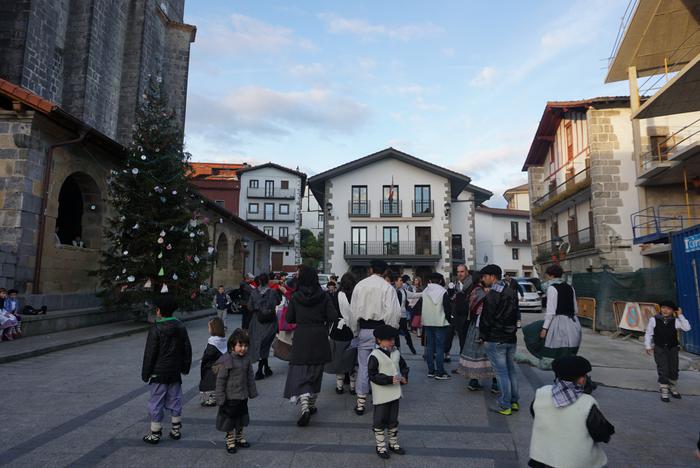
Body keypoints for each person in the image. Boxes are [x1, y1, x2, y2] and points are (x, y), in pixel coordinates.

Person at [528, 355, 614, 468]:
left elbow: (535, 414)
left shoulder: (541, 393)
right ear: (581, 379)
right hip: (575, 462)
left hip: (543, 457)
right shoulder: (587, 402)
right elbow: (600, 432)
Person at [283, 265, 336, 426]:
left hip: (302, 336)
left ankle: (305, 406)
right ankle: (312, 404)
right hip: (319, 334)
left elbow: (289, 318)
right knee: (316, 371)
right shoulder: (324, 296)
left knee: (302, 371)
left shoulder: (296, 296)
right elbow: (333, 315)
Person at [348, 259, 401, 415]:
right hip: (382, 331)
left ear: (370, 269)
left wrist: (355, 331)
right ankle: (382, 398)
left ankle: (360, 402)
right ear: (385, 272)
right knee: (383, 364)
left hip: (364, 329)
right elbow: (393, 313)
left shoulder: (360, 285)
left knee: (363, 366)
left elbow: (353, 312)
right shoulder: (387, 287)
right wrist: (391, 331)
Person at [141, 294, 192, 444]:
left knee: (156, 402)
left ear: (158, 311)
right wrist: (185, 367)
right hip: (175, 372)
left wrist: (146, 373)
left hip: (159, 372)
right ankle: (176, 430)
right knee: (175, 399)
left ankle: (155, 433)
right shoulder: (180, 326)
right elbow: (186, 349)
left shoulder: (155, 329)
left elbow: (150, 353)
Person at [479, 264, 519, 416]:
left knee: (501, 372)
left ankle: (505, 404)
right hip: (510, 337)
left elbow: (486, 318)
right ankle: (514, 401)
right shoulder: (511, 291)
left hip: (496, 338)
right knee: (511, 370)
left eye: (484, 277)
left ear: (492, 276)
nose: (483, 280)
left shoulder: (492, 295)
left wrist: (483, 335)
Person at [368, 325, 409, 459]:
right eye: (387, 340)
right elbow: (373, 375)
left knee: (393, 419)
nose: (391, 342)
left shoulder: (396, 352)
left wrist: (404, 377)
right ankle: (380, 446)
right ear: (378, 340)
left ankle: (393, 443)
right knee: (379, 420)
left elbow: (403, 367)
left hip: (395, 393)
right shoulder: (374, 355)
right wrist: (389, 379)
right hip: (381, 394)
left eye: (392, 339)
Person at [215, 328, 258, 454]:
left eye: (245, 346)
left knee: (241, 417)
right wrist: (220, 397)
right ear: (232, 346)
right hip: (230, 397)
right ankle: (230, 440)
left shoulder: (246, 360)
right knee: (230, 419)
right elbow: (220, 380)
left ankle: (239, 436)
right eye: (240, 345)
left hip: (242, 396)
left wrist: (252, 391)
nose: (243, 348)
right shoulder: (227, 360)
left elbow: (250, 376)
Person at [457, 273, 498, 393]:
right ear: (481, 279)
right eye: (484, 277)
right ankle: (494, 382)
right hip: (482, 326)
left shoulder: (473, 291)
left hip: (474, 326)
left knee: (475, 354)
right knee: (490, 355)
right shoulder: (480, 292)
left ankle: (474, 381)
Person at [644, 300, 691, 402]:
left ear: (673, 311)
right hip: (659, 348)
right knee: (663, 368)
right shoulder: (654, 319)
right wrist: (648, 345)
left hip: (673, 349)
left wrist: (680, 315)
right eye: (663, 308)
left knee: (673, 369)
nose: (665, 310)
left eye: (669, 309)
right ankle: (664, 389)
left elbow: (687, 328)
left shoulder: (676, 321)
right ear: (660, 308)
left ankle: (673, 387)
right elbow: (648, 333)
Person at [413, 272, 451, 380]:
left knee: (429, 347)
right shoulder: (443, 291)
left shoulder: (425, 291)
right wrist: (449, 319)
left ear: (429, 280)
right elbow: (447, 308)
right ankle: (440, 372)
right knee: (439, 347)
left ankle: (431, 370)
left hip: (428, 322)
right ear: (440, 280)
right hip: (440, 322)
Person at [539, 265, 582, 359]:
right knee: (569, 350)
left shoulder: (551, 288)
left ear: (550, 275)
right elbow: (575, 309)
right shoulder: (570, 287)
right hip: (573, 323)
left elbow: (550, 311)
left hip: (559, 322)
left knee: (556, 350)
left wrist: (544, 328)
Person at [325, 272, 358, 394]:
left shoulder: (336, 295)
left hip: (338, 330)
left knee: (339, 358)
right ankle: (353, 387)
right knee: (353, 360)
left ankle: (339, 386)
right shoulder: (356, 296)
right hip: (353, 330)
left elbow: (331, 314)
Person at [247, 273, 281, 380]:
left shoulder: (254, 293)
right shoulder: (273, 292)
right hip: (270, 322)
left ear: (259, 281)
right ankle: (262, 369)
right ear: (267, 281)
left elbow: (250, 307)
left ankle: (262, 369)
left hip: (257, 321)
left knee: (260, 344)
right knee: (265, 345)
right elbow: (278, 302)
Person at [448, 264, 473, 367]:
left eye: (462, 271)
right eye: (458, 272)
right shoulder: (456, 284)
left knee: (469, 342)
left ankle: (468, 365)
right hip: (459, 316)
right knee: (462, 341)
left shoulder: (472, 283)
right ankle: (463, 365)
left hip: (469, 317)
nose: (459, 274)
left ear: (467, 271)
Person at [199, 317, 227, 407]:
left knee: (208, 382)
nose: (209, 329)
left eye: (209, 327)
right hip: (221, 367)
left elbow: (208, 355)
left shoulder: (213, 342)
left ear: (214, 328)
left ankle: (210, 399)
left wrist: (203, 360)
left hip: (211, 368)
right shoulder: (223, 340)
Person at [395, 275, 417, 355]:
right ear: (396, 282)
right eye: (400, 281)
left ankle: (411, 346)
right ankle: (398, 350)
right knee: (395, 334)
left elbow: (414, 295)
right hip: (396, 316)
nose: (402, 282)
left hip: (403, 316)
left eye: (402, 281)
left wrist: (424, 293)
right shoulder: (393, 291)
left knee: (406, 333)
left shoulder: (404, 291)